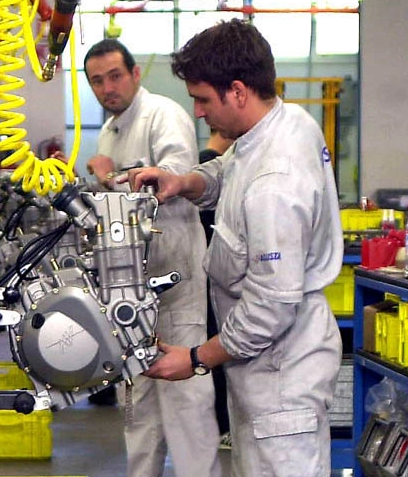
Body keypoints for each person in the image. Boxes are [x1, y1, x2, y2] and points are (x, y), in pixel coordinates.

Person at [128, 19, 343, 477]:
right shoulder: (283, 125)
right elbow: (231, 170)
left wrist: (194, 358)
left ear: (239, 91)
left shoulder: (275, 186)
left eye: (204, 99)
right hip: (266, 372)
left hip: (282, 379)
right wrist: (186, 181)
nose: (199, 113)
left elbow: (271, 307)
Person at [82, 38, 222, 477]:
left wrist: (107, 175)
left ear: (136, 73)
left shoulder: (163, 115)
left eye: (115, 76)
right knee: (137, 405)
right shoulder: (111, 129)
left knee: (187, 405)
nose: (108, 88)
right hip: (131, 286)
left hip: (175, 281)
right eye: (97, 81)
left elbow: (172, 185)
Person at [198, 128, 235, 449]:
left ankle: (223, 424)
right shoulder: (213, 168)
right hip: (216, 277)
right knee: (221, 350)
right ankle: (224, 425)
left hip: (210, 277)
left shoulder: (203, 164)